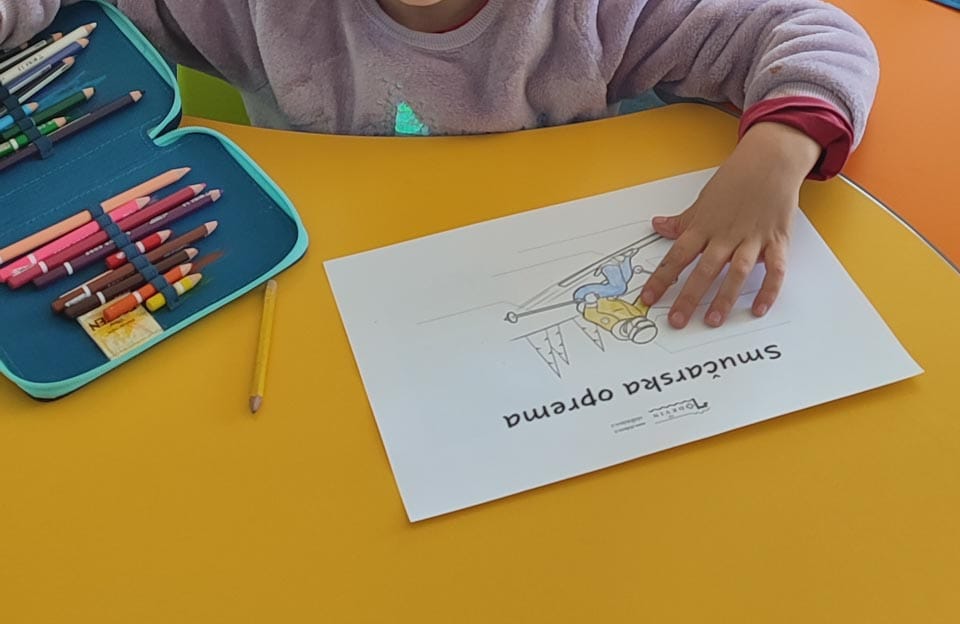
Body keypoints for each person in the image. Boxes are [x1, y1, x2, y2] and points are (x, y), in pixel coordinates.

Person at [0, 0, 879, 328]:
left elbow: (811, 31)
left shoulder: (594, 14)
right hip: (317, 288)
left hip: (521, 281)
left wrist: (774, 155)